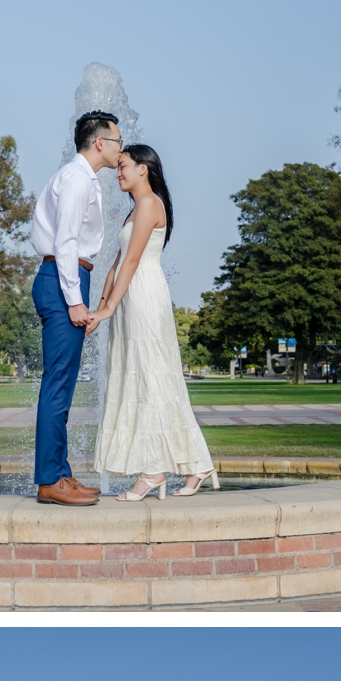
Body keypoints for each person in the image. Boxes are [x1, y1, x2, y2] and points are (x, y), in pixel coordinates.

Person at [87, 147, 218, 501]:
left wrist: (110, 308)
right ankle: (198, 464)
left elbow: (132, 261)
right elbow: (116, 264)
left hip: (143, 295)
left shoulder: (149, 204)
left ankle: (153, 471)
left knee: (151, 379)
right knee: (145, 379)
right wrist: (101, 308)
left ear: (143, 169)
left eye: (123, 166)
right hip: (128, 297)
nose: (117, 173)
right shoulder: (135, 209)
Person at [28, 112, 125, 507]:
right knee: (58, 383)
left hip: (66, 278)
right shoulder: (76, 179)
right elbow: (66, 242)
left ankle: (60, 472)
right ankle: (50, 480)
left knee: (63, 384)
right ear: (100, 143)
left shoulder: (83, 179)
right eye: (118, 141)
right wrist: (74, 300)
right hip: (61, 279)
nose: (122, 149)